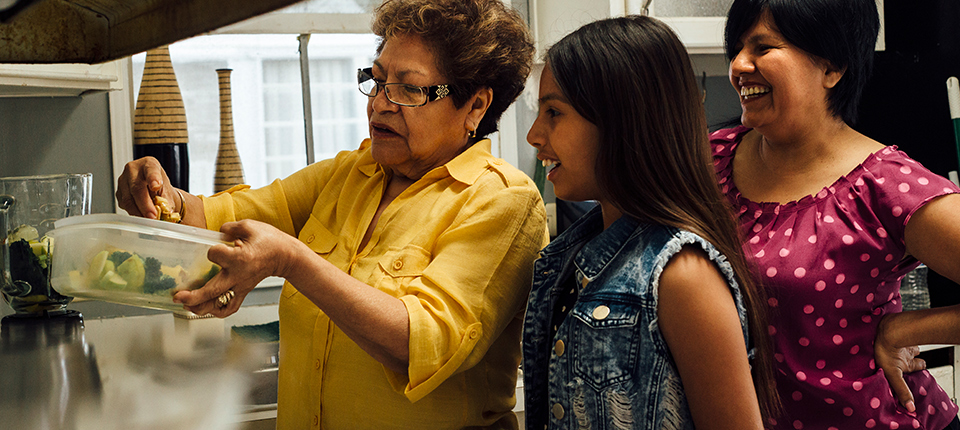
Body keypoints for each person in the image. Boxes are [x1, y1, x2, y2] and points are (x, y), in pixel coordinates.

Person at [115, 0, 547, 428]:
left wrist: (291, 260)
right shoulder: (351, 173)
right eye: (377, 82)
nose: (380, 104)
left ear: (475, 106)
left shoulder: (502, 200)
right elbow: (217, 217)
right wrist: (159, 191)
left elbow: (420, 343)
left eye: (409, 89)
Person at [521, 15, 778, 429]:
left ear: (623, 122)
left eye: (554, 112)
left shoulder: (682, 274)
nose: (535, 134)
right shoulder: (571, 258)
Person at [714, 0, 960, 428]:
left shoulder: (884, 186)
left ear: (832, 67)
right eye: (736, 47)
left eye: (763, 47)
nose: (738, 65)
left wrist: (900, 332)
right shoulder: (711, 159)